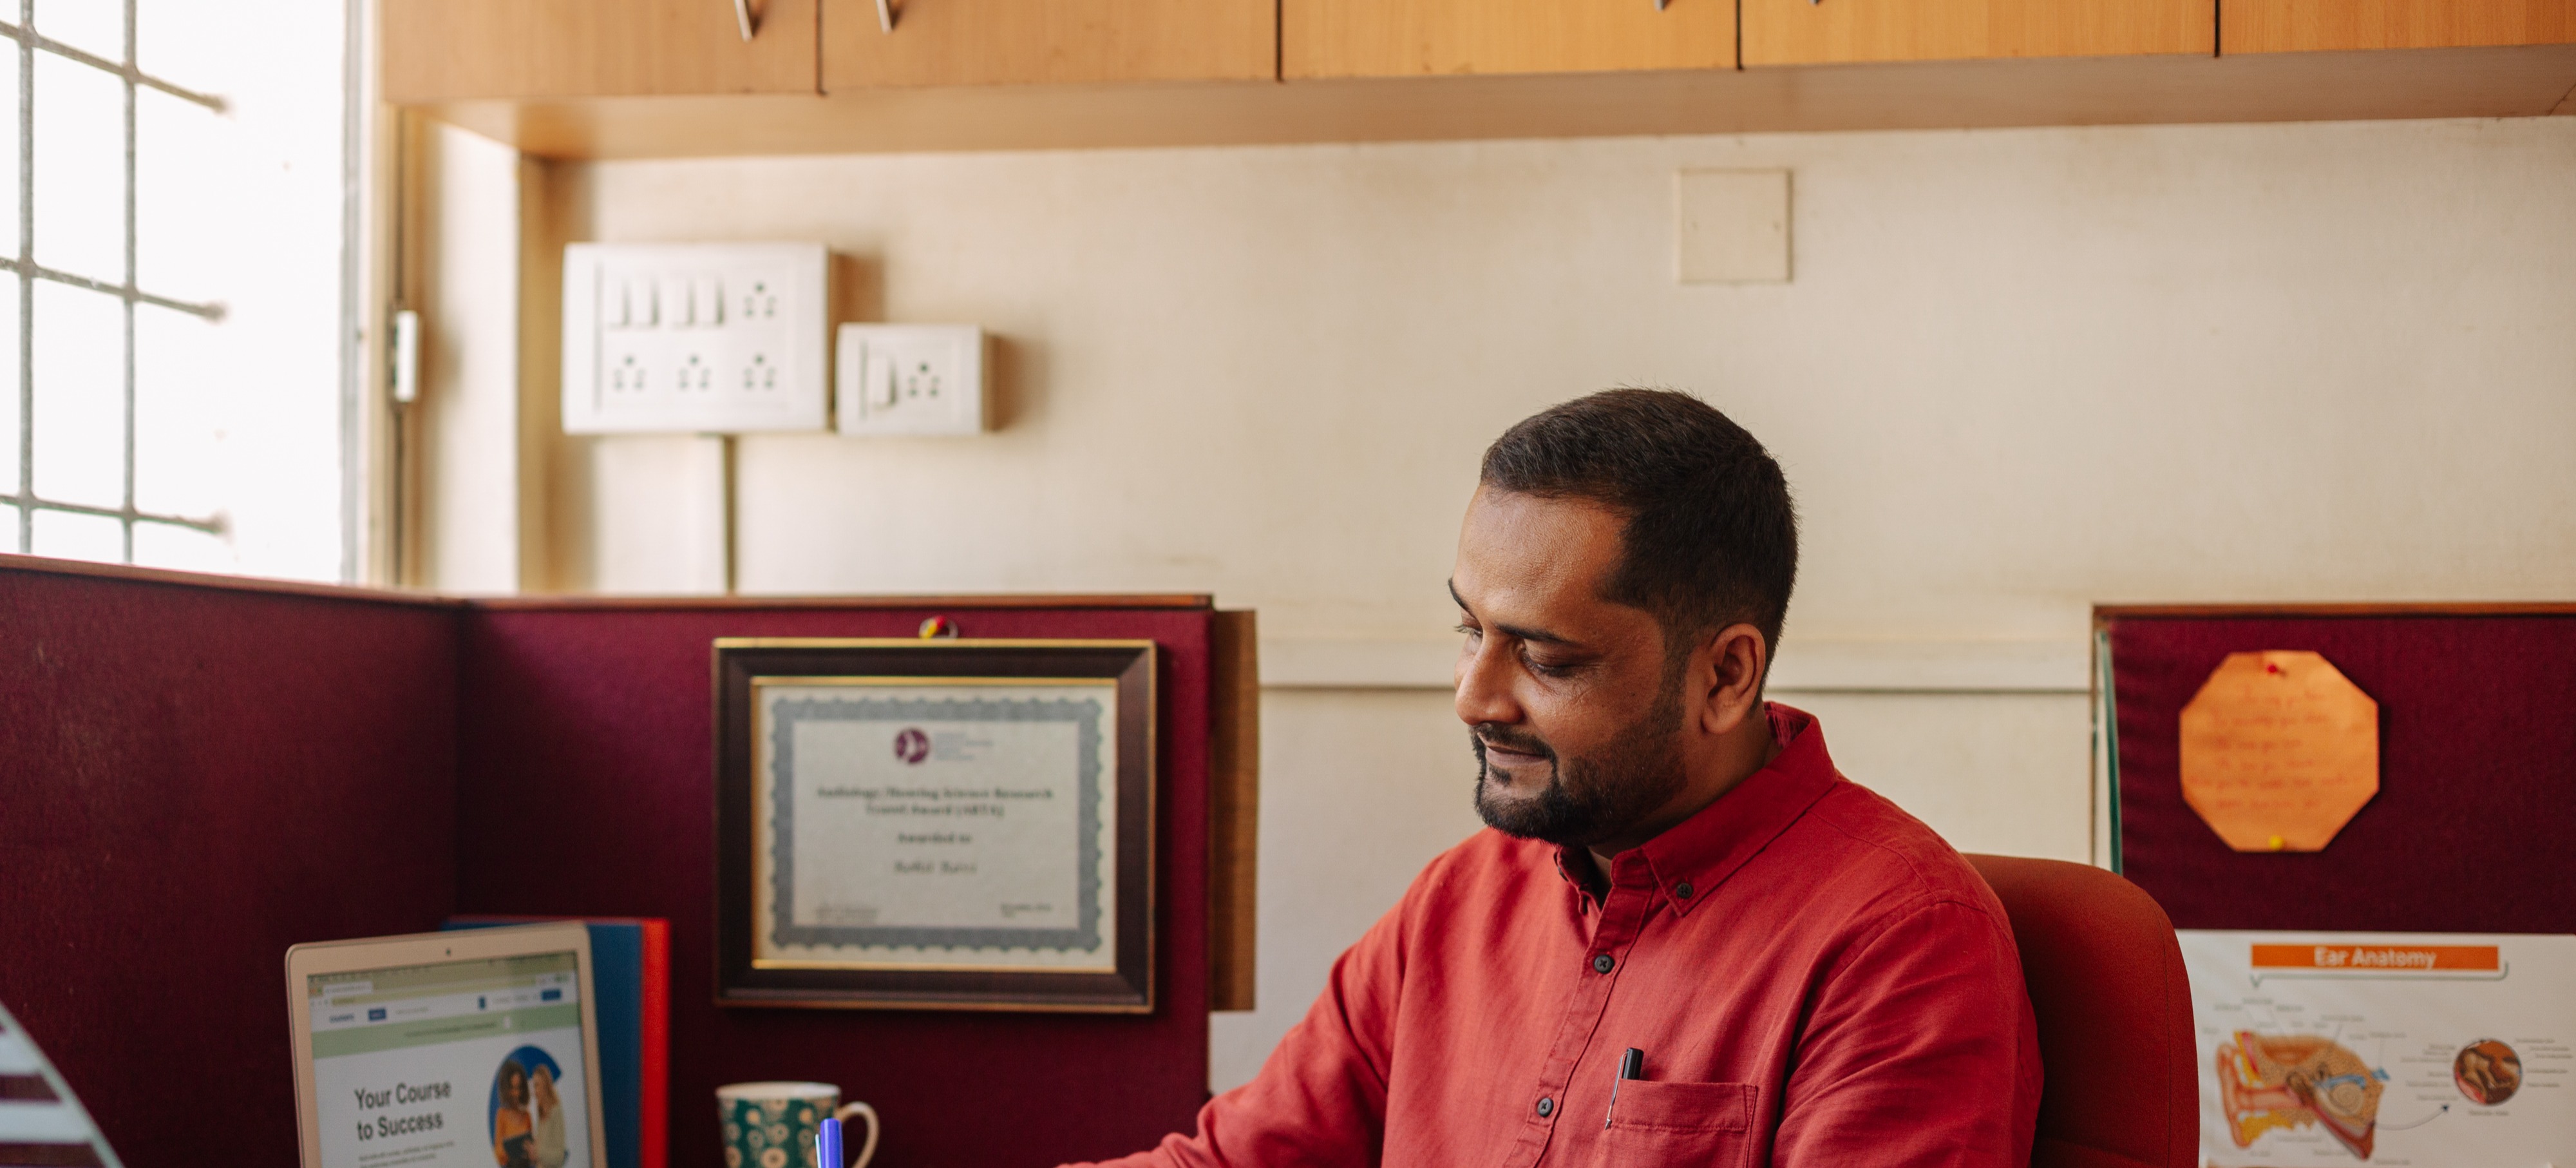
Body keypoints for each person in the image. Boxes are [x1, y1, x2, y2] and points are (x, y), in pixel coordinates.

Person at [1070, 389, 2041, 1167]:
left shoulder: (1902, 944)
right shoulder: (1460, 897)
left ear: (1726, 675)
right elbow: (1233, 1158)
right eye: (1470, 630)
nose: (1473, 696)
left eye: (1547, 658)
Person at [492, 1060, 533, 1168]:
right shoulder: (502, 1115)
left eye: (519, 1088)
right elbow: (498, 1150)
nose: (516, 1093)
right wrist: (509, 1152)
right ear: (506, 1089)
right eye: (512, 1088)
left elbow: (531, 1148)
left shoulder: (527, 1116)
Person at [529, 1064, 569, 1168]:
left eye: (537, 1085)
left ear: (545, 1085)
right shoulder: (541, 1113)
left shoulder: (555, 1111)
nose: (534, 1091)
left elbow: (559, 1157)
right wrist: (533, 1153)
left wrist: (538, 1152)